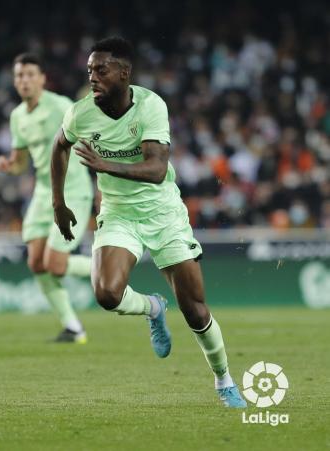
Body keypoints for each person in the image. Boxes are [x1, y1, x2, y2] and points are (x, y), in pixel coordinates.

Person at [51, 36, 247, 407]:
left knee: (194, 308)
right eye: (89, 69)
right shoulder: (80, 113)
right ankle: (153, 308)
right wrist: (58, 202)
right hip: (119, 212)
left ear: (124, 73)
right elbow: (59, 147)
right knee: (107, 295)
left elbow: (157, 170)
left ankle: (224, 380)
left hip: (163, 213)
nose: (92, 76)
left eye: (101, 69)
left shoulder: (151, 106)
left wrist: (104, 164)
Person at [0, 53, 93, 343]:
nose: (23, 80)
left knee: (56, 265)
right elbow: (21, 161)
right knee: (36, 263)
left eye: (29, 75)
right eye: (19, 76)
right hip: (42, 193)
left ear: (41, 79)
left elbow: (87, 133)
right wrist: (8, 165)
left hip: (72, 190)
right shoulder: (17, 117)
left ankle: (106, 267)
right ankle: (73, 327)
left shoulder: (60, 105)